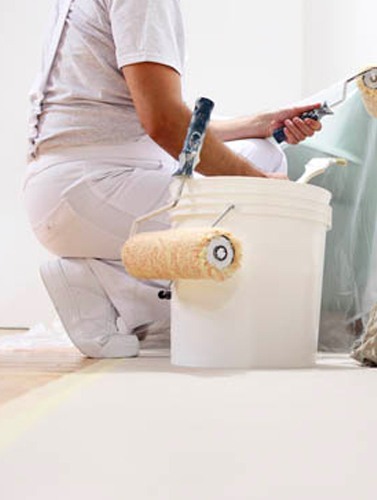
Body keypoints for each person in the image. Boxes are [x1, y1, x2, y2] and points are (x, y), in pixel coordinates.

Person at [24, 0, 322, 358]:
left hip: (78, 185)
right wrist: (258, 187)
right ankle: (108, 285)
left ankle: (119, 287)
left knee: (261, 152)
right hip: (91, 187)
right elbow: (164, 122)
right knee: (258, 216)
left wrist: (257, 124)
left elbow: (162, 121)